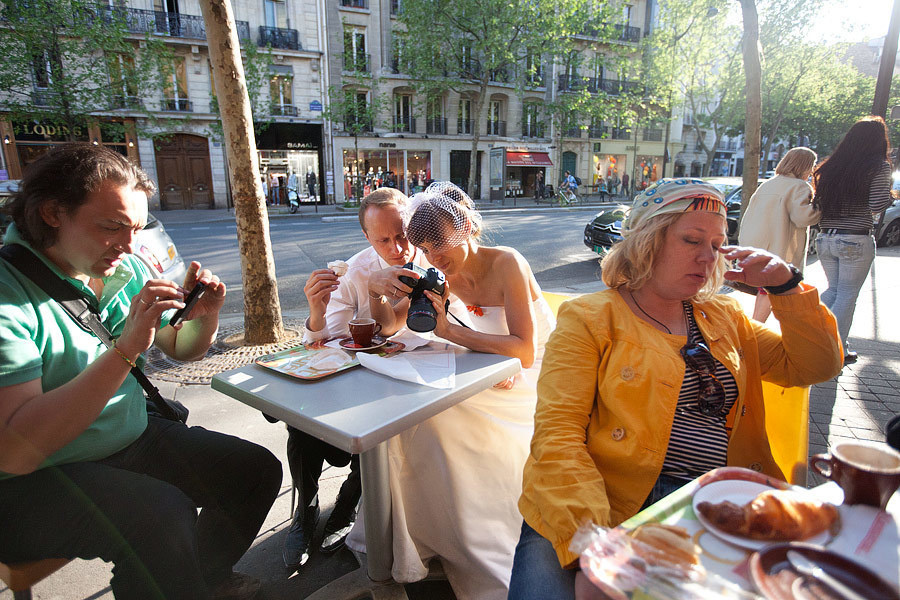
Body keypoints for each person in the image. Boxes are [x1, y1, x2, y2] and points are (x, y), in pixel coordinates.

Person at [508, 178, 842, 600]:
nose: (708, 258)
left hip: (714, 505)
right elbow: (558, 435)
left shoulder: (724, 315)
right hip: (595, 501)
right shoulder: (590, 318)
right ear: (647, 241)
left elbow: (816, 365)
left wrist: (785, 285)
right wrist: (592, 540)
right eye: (691, 239)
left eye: (718, 244)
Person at [0, 144, 282, 600]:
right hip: (35, 479)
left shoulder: (121, 265)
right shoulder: (7, 294)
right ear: (52, 213)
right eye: (112, 227)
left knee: (255, 471)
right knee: (160, 517)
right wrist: (128, 348)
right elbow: (17, 452)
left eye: (135, 228)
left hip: (130, 436)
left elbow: (180, 349)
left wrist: (205, 316)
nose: (130, 247)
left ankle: (203, 581)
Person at [347, 182, 556, 600]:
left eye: (441, 243)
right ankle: (428, 536)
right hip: (481, 371)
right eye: (424, 246)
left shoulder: (507, 263)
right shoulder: (438, 275)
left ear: (469, 229)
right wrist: (375, 289)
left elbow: (524, 352)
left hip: (528, 381)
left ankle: (468, 542)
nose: (435, 256)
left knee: (434, 419)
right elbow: (390, 326)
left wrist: (447, 330)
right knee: (404, 417)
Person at [284, 187, 460, 570]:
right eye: (384, 239)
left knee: (388, 430)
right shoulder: (353, 271)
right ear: (367, 237)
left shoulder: (434, 262)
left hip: (421, 378)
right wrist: (315, 312)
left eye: (402, 235)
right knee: (299, 424)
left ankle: (348, 506)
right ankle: (306, 511)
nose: (397, 248)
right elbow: (322, 341)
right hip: (362, 379)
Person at [813, 116, 894, 366]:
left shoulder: (831, 166)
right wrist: (891, 195)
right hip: (855, 240)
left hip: (826, 237)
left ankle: (817, 338)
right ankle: (834, 350)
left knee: (835, 290)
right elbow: (876, 205)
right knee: (847, 294)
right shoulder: (878, 166)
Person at [739, 147, 820, 322]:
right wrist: (820, 207)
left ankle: (755, 331)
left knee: (767, 291)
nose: (812, 170)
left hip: (757, 246)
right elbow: (802, 218)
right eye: (811, 165)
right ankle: (754, 334)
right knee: (777, 290)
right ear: (804, 166)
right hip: (780, 248)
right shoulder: (799, 186)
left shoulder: (768, 184)